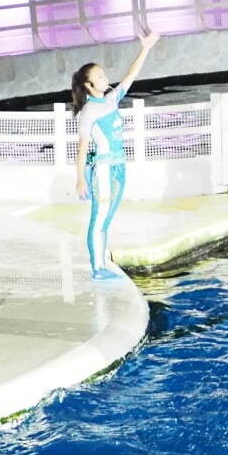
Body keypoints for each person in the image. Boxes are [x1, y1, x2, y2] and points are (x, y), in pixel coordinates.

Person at [72, 22, 159, 281]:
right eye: (98, 77)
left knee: (106, 219)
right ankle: (97, 268)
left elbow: (130, 75)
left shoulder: (110, 99)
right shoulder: (88, 112)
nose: (103, 78)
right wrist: (79, 179)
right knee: (99, 218)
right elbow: (82, 147)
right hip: (103, 169)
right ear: (88, 85)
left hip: (119, 166)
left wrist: (145, 49)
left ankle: (102, 262)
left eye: (102, 74)